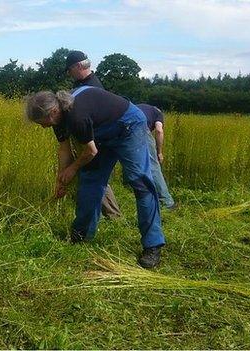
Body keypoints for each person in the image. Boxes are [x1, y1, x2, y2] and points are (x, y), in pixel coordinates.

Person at [25, 86, 166, 268]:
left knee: (140, 182)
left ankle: (152, 245)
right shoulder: (58, 119)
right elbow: (64, 149)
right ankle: (81, 235)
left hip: (129, 126)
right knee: (90, 181)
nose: (43, 126)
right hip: (102, 135)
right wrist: (61, 179)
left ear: (53, 111)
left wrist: (73, 169)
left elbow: (90, 151)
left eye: (42, 121)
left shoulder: (77, 116)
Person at [65, 50, 122, 219]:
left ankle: (113, 216)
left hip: (95, 139)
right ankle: (110, 215)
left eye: (69, 69)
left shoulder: (91, 87)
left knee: (94, 175)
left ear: (78, 66)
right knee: (94, 176)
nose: (69, 74)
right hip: (94, 137)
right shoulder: (89, 83)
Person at [136, 103, 176, 209]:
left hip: (119, 125)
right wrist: (159, 152)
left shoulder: (139, 107)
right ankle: (167, 202)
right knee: (153, 166)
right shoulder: (158, 113)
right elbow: (159, 130)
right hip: (139, 127)